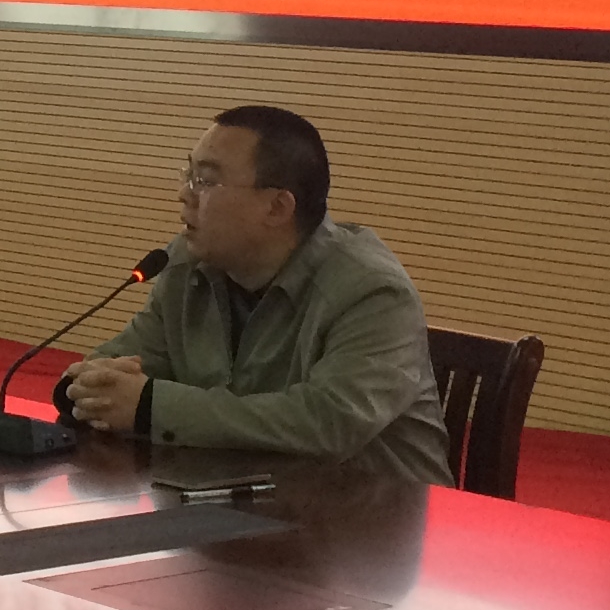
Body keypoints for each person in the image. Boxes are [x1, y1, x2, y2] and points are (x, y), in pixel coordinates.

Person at [48, 106, 451, 485]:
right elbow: (127, 358)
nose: (184, 194)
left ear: (277, 207)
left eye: (206, 181)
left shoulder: (373, 292)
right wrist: (88, 388)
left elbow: (327, 423)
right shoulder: (187, 264)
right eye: (188, 174)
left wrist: (151, 405)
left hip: (372, 515)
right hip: (240, 499)